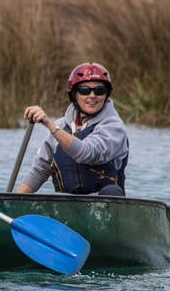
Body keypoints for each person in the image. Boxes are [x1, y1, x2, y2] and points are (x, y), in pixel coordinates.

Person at [16, 62, 129, 196]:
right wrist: (13, 201)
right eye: (85, 90)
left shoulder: (114, 128)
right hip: (65, 203)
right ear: (74, 94)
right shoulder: (61, 126)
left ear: (106, 95)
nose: (92, 95)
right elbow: (39, 171)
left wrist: (49, 124)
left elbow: (86, 153)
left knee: (112, 191)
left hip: (103, 204)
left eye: (99, 91)